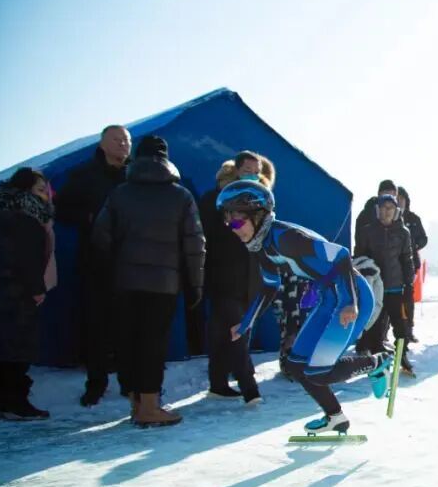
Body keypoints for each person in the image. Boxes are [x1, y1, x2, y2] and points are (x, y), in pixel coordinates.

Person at [218, 180, 393, 435]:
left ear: (257, 215)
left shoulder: (285, 238)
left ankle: (377, 362)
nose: (233, 229)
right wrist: (246, 323)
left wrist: (349, 302)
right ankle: (335, 417)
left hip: (351, 295)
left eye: (236, 222)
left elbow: (341, 255)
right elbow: (269, 287)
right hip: (329, 298)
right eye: (228, 223)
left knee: (319, 371)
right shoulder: (262, 247)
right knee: (296, 365)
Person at [92, 136, 205, 427]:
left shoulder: (120, 193)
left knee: (127, 342)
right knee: (153, 344)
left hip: (125, 281)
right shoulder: (181, 196)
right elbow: (195, 244)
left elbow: (100, 238)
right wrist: (195, 284)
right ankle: (151, 406)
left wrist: (110, 273)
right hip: (163, 283)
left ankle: (136, 403)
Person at [53, 124, 131, 407]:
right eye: (117, 139)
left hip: (131, 262)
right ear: (102, 144)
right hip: (96, 261)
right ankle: (96, 384)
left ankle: (130, 382)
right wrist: (88, 217)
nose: (123, 144)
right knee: (96, 324)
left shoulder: (136, 175)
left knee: (130, 324)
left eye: (127, 140)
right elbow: (61, 209)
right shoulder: (85, 175)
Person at [198, 152, 275, 404]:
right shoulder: (216, 198)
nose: (252, 175)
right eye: (247, 170)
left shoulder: (261, 199)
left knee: (221, 330)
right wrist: (238, 225)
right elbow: (209, 232)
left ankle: (218, 383)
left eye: (256, 171)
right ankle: (249, 389)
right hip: (222, 273)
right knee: (239, 328)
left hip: (250, 275)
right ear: (235, 170)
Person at [0, 168, 55, 420]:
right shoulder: (25, 217)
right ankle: (16, 402)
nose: (45, 196)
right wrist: (37, 289)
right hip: (16, 291)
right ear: (26, 190)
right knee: (17, 348)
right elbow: (27, 258)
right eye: (40, 190)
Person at [355, 194, 416, 375]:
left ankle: (402, 356)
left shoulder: (403, 232)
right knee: (375, 325)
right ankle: (377, 359)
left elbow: (407, 259)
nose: (386, 211)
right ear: (377, 210)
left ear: (396, 211)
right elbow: (360, 257)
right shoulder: (368, 231)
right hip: (375, 287)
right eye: (383, 207)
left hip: (396, 287)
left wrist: (409, 283)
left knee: (401, 325)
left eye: (390, 208)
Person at [396, 186, 427, 343]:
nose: (399, 201)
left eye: (402, 198)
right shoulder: (388, 216)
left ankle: (409, 330)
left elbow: (424, 238)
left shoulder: (414, 218)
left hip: (410, 263)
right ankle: (386, 333)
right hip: (392, 263)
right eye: (396, 198)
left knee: (408, 298)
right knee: (392, 299)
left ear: (406, 201)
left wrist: (414, 245)